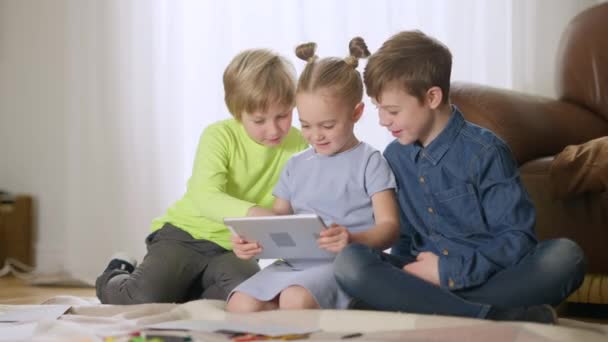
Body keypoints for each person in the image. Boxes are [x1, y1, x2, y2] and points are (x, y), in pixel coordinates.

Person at [333, 30, 586, 324]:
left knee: (566, 257)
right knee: (350, 263)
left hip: (489, 276)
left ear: (431, 97)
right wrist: (402, 276)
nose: (382, 121)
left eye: (391, 110)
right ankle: (496, 316)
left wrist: (447, 272)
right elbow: (402, 241)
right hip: (422, 277)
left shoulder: (486, 151)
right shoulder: (395, 156)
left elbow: (517, 238)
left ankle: (426, 308)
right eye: (379, 109)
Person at [95, 48, 309, 304]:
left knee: (249, 297)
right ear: (237, 112)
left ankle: (186, 288)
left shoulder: (299, 144)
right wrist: (256, 215)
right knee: (144, 296)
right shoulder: (219, 136)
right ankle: (115, 273)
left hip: (234, 249)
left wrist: (265, 236)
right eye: (259, 120)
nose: (273, 129)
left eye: (283, 116)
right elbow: (206, 195)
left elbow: (296, 204)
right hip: (185, 235)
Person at [225, 38, 400, 312]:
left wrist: (353, 239)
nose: (315, 135)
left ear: (356, 112)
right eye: (305, 125)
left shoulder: (370, 161)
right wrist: (252, 242)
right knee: (240, 305)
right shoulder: (296, 165)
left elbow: (389, 228)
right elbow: (278, 220)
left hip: (345, 265)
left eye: (327, 125)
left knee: (295, 300)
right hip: (294, 265)